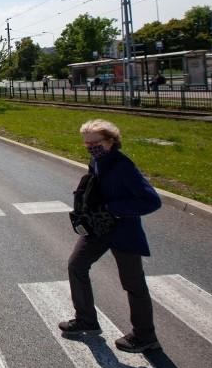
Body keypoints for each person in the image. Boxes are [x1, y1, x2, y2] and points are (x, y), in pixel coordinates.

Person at [58, 119, 163, 353]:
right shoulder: (97, 161)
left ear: (110, 142)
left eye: (94, 142)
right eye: (86, 142)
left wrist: (114, 209)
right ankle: (86, 320)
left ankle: (145, 336)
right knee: (76, 265)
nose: (89, 146)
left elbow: (151, 201)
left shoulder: (123, 167)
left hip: (124, 232)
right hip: (98, 227)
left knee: (133, 283)